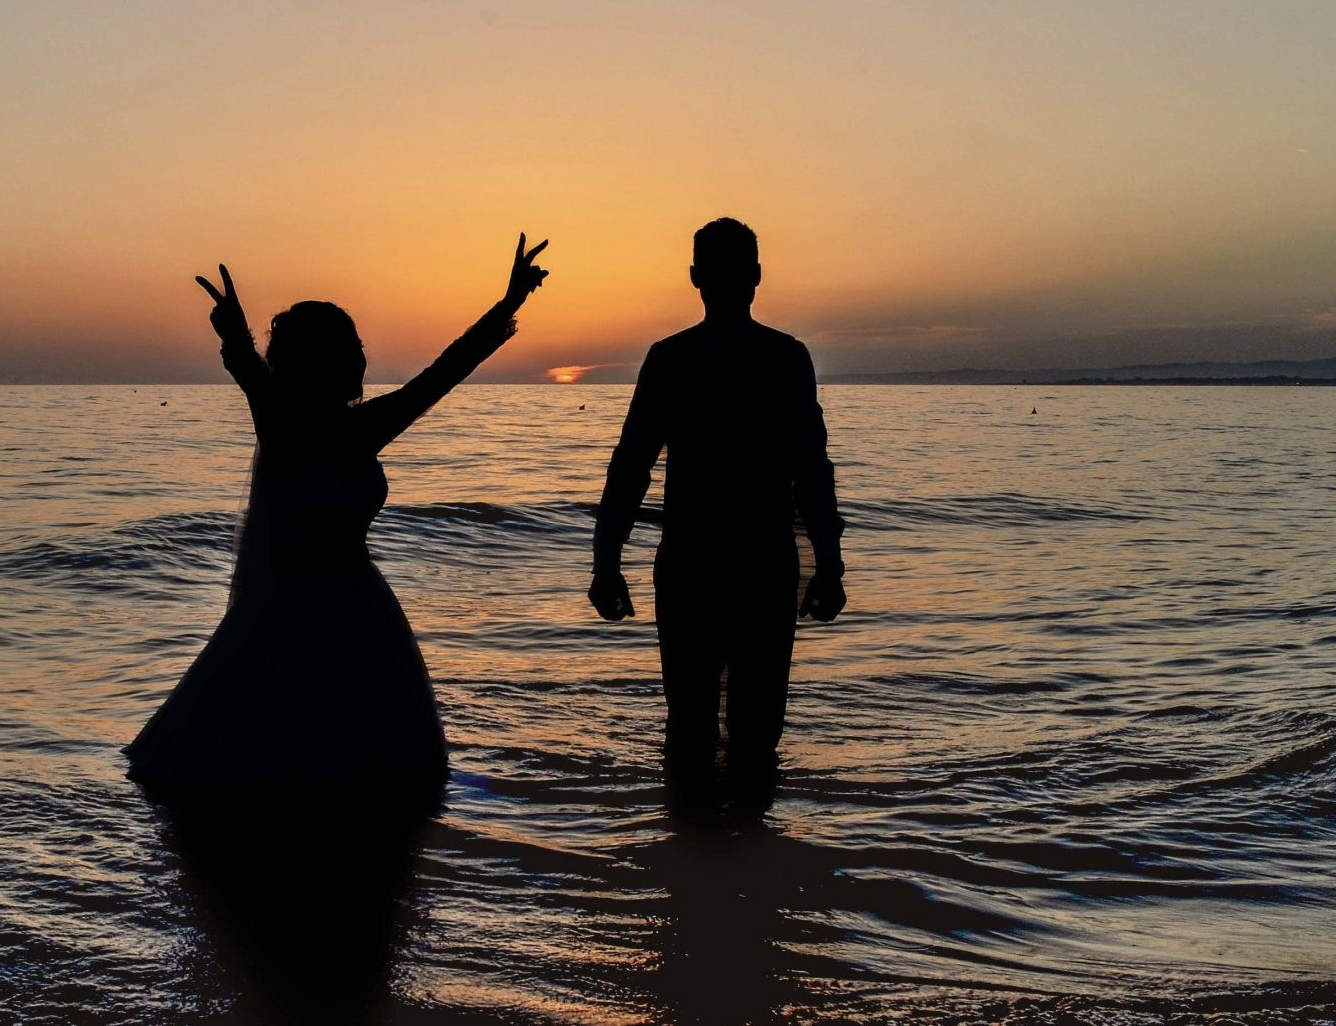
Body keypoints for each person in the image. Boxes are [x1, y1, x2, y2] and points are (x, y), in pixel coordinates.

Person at [126, 234, 551, 809]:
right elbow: (252, 372)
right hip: (288, 614)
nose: (355, 357)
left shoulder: (365, 425)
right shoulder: (281, 424)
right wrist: (234, 334)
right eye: (344, 348)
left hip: (360, 607)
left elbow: (443, 373)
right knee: (284, 770)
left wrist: (509, 304)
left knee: (366, 775)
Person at [590, 218, 846, 787]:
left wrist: (607, 560)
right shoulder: (785, 358)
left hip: (695, 566)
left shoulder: (672, 359)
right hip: (757, 565)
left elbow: (630, 468)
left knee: (691, 728)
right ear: (756, 277)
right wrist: (828, 560)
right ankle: (748, 856)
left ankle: (692, 857)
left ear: (694, 278)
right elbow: (812, 470)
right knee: (755, 735)